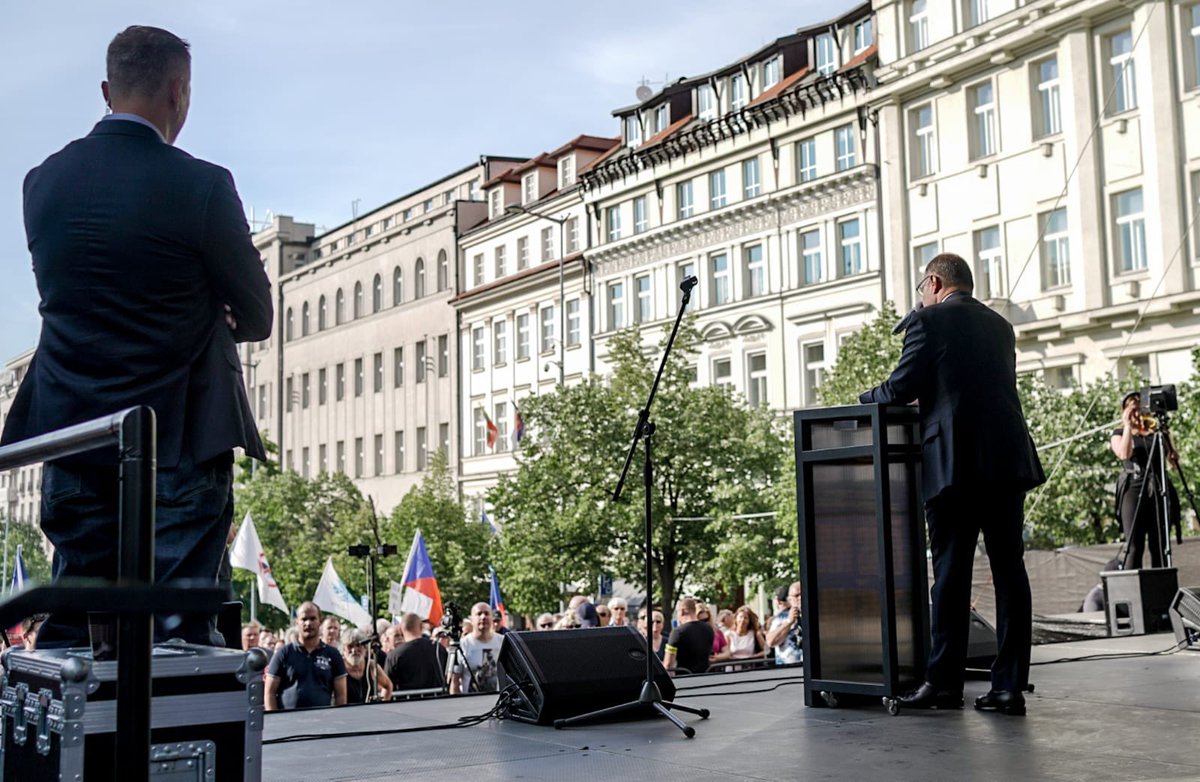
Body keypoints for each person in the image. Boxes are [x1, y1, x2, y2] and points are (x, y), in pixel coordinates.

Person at [2, 26, 272, 649]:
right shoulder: (201, 186)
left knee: (75, 618)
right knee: (176, 630)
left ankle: (70, 746)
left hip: (73, 435)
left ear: (105, 90)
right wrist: (210, 303)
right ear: (179, 93)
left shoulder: (42, 184)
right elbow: (256, 313)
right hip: (177, 438)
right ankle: (174, 748)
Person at [860, 253, 1045, 716]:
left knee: (950, 576)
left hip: (955, 464)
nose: (921, 296)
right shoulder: (1001, 326)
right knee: (1009, 572)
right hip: (1006, 461)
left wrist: (864, 399)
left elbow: (900, 387)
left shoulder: (929, 322)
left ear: (935, 282)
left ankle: (943, 684)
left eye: (923, 287)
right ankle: (1008, 688)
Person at [1111, 391, 1181, 569]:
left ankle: (1163, 590)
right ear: (1125, 412)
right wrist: (1127, 426)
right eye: (1133, 410)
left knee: (1159, 545)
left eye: (1140, 409)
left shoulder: (1156, 431)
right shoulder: (1119, 432)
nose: (1138, 413)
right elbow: (1123, 453)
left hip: (1158, 488)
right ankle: (1132, 591)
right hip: (1133, 489)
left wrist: (1170, 445)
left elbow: (1172, 461)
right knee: (1135, 546)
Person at [264, 602, 347, 710]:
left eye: (313, 619)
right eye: (304, 619)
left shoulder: (333, 654)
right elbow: (269, 693)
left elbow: (341, 696)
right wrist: (275, 719)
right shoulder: (283, 653)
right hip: (289, 722)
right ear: (296, 622)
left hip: (323, 722)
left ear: (320, 622)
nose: (308, 623)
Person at [449, 603, 503, 694]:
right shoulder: (462, 645)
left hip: (498, 702)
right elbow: (455, 681)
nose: (483, 617)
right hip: (471, 704)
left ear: (491, 618)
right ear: (471, 619)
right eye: (479, 614)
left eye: (486, 613)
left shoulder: (503, 641)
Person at [385, 612, 447, 693]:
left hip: (407, 702)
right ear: (421, 627)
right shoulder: (438, 649)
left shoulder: (394, 656)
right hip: (439, 700)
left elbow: (387, 685)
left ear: (401, 629)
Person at [663, 597, 714, 675]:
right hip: (706, 675)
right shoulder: (709, 628)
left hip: (685, 678)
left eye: (677, 612)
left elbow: (668, 663)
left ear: (682, 611)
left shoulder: (677, 632)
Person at [341, 627, 392, 704]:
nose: (354, 650)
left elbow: (388, 686)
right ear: (344, 649)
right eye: (350, 646)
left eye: (358, 645)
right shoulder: (339, 667)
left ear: (365, 648)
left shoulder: (371, 665)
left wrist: (383, 705)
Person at [766, 582, 802, 666]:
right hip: (787, 669)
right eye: (796, 595)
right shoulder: (781, 618)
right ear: (790, 600)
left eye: (802, 594)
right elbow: (770, 642)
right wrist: (789, 622)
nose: (800, 598)